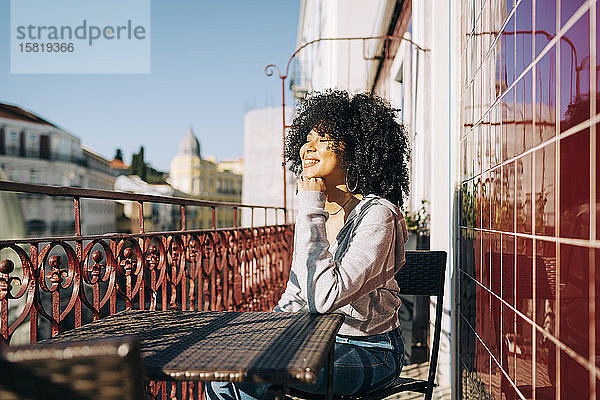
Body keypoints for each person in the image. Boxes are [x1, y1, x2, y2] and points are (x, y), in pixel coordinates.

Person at [207, 89, 410, 400]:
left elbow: (325, 298)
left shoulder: (379, 215)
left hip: (370, 349)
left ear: (354, 149)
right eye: (307, 138)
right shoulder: (315, 215)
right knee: (223, 371)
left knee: (248, 379)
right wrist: (264, 334)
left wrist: (310, 205)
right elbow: (298, 293)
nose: (307, 147)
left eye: (323, 137)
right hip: (316, 341)